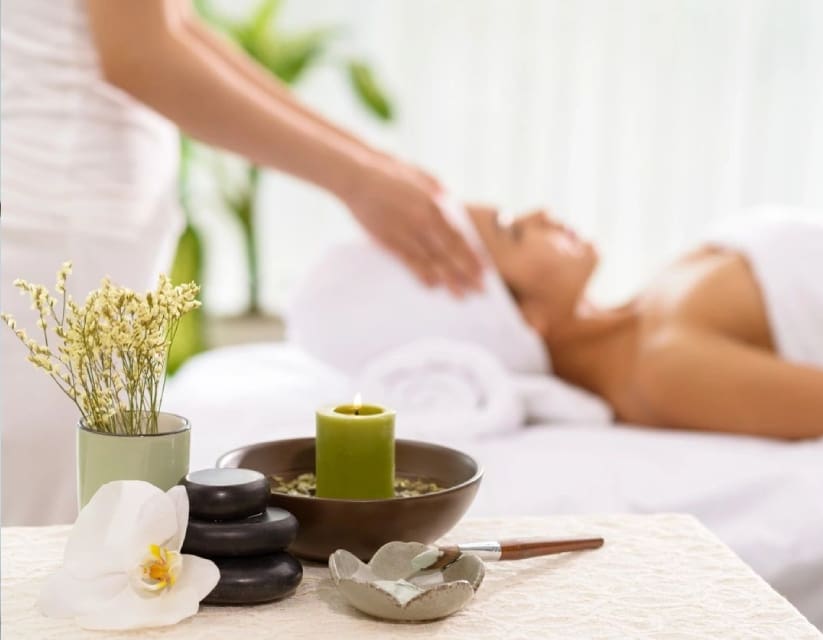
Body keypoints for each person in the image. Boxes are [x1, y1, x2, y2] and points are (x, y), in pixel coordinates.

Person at [0, 0, 479, 525]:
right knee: (41, 525)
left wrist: (371, 167)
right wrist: (359, 177)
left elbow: (173, 28)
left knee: (72, 514)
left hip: (78, 217)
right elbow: (141, 54)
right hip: (54, 221)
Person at [467, 199, 823, 443]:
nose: (540, 212)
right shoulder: (668, 373)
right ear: (524, 317)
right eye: (512, 231)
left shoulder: (646, 309)